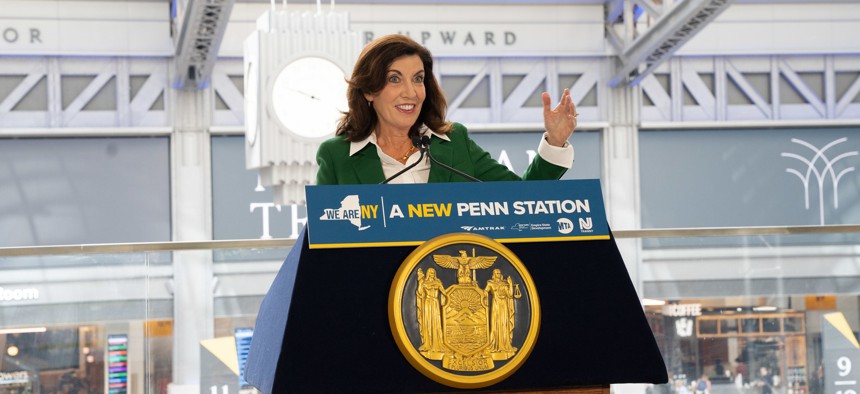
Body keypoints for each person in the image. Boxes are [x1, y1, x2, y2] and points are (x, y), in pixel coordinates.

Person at [315, 34, 577, 186]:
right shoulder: (336, 156)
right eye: (394, 79)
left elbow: (521, 201)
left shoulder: (455, 142)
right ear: (369, 91)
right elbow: (324, 241)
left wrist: (555, 141)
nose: (411, 92)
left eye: (418, 79)